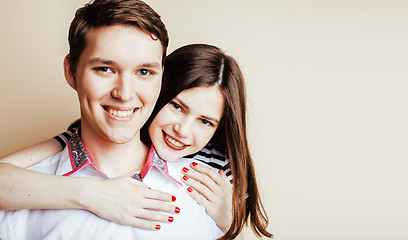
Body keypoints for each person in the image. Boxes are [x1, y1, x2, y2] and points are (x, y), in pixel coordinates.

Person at [0, 1, 271, 239]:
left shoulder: (209, 188)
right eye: (104, 68)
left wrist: (229, 224)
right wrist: (90, 193)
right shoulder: (29, 187)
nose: (125, 94)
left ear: (160, 78)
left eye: (144, 71)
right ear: (72, 71)